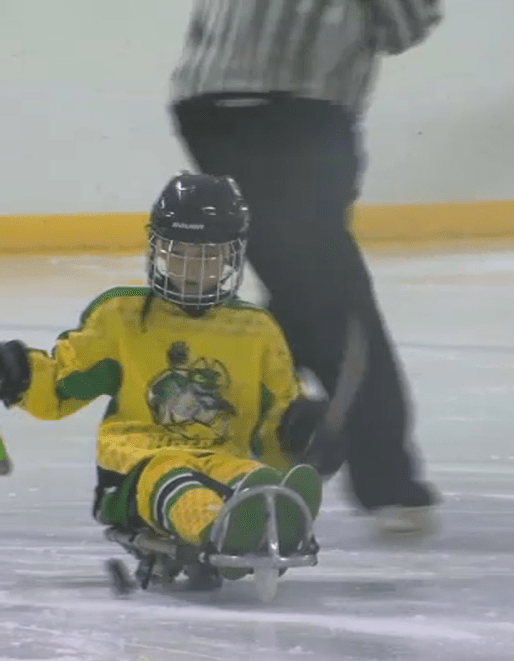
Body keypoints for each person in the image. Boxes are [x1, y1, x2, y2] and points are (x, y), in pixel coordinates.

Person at [0, 173, 340, 580]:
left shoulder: (257, 331)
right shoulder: (121, 318)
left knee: (252, 479)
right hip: (134, 467)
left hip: (220, 457)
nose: (192, 270)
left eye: (208, 256)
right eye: (179, 253)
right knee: (177, 482)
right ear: (157, 250)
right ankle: (220, 529)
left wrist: (300, 430)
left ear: (233, 256)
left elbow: (272, 425)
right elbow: (58, 384)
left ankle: (271, 517)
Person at [165, 0, 443, 536]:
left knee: (303, 288)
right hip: (297, 114)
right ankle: (382, 478)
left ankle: (226, 435)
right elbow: (406, 24)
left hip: (208, 103)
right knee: (336, 298)